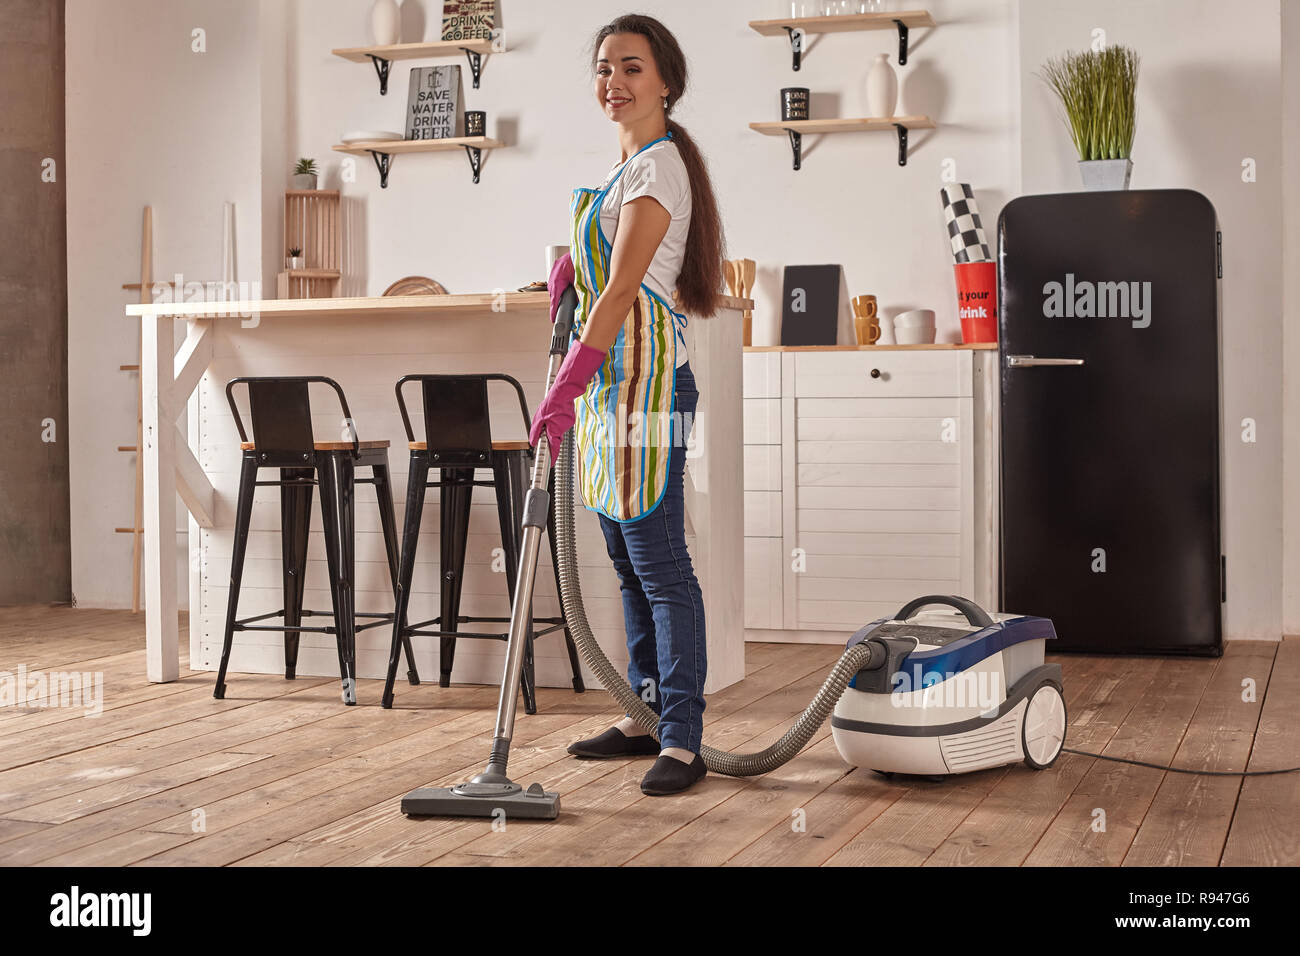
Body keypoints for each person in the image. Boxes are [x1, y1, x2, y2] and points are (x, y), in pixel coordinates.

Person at [528, 14, 726, 796]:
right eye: (605, 68)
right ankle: (643, 712)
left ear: (665, 83)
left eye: (632, 68)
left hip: (651, 389)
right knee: (622, 559)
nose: (614, 81)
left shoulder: (660, 169)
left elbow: (624, 290)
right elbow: (607, 272)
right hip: (618, 388)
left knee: (660, 561)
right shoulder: (626, 168)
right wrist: (568, 268)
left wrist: (566, 382)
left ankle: (682, 737)